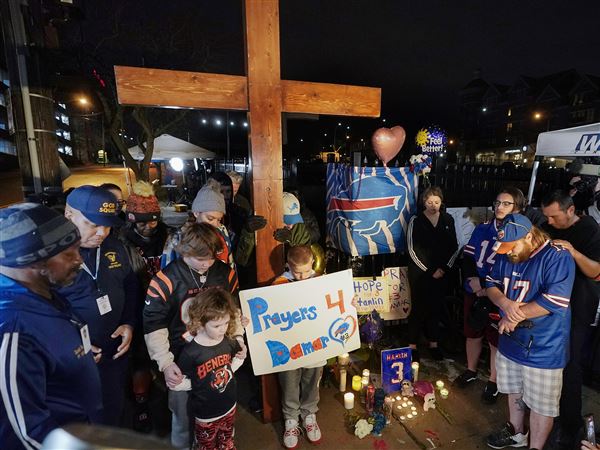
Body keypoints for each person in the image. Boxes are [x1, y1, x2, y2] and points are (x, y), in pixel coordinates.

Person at [0, 203, 102, 449]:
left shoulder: (43, 293)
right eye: (68, 254)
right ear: (32, 261)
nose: (78, 260)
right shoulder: (13, 328)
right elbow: (24, 432)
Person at [143, 221, 243, 448]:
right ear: (185, 251)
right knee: (183, 419)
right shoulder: (165, 279)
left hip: (218, 356)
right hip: (182, 358)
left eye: (211, 257)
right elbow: (153, 325)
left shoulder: (224, 273)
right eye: (201, 259)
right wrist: (166, 363)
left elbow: (233, 312)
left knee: (221, 410)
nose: (207, 264)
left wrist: (238, 339)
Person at [485, 214, 575, 450]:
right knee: (513, 390)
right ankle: (516, 433)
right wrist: (505, 303)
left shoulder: (556, 257)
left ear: (529, 235)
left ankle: (535, 446)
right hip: (511, 341)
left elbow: (555, 300)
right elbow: (490, 283)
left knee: (541, 404)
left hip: (544, 347)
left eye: (513, 246)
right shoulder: (506, 254)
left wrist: (515, 315)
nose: (509, 252)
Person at [58, 185, 138, 426]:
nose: (102, 232)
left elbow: (131, 286)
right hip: (72, 359)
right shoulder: (50, 257)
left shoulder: (116, 247)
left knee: (113, 413)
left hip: (114, 353)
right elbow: (39, 312)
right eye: (92, 224)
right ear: (69, 214)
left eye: (107, 224)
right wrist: (70, 342)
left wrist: (129, 323)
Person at [541, 190, 600, 449]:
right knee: (548, 364)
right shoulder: (546, 226)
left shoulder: (589, 229)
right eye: (547, 217)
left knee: (570, 366)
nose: (550, 223)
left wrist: (573, 252)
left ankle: (570, 424)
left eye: (555, 217)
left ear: (571, 210)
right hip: (548, 307)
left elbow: (596, 271)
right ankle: (547, 416)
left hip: (577, 307)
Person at [456, 187, 526, 404]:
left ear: (518, 208)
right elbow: (468, 257)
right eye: (497, 203)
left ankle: (494, 381)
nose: (500, 207)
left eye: (506, 204)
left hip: (499, 295)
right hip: (475, 288)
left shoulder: (520, 233)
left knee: (495, 339)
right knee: (472, 332)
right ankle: (471, 369)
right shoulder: (483, 229)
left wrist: (486, 286)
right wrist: (472, 281)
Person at [119, 180, 171, 433]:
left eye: (153, 220)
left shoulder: (168, 235)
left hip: (166, 307)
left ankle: (167, 407)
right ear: (131, 219)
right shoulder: (121, 241)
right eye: (141, 221)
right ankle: (141, 407)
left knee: (166, 356)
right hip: (137, 307)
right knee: (139, 359)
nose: (149, 226)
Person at [175, 288, 247, 450]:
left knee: (227, 442)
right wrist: (186, 384)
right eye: (216, 325)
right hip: (205, 414)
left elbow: (232, 365)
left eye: (226, 323)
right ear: (201, 322)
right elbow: (180, 381)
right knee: (206, 446)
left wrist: (240, 358)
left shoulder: (228, 341)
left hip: (229, 406)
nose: (223, 329)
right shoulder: (190, 352)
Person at [271, 245, 323, 448]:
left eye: (305, 271)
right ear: (288, 265)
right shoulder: (279, 283)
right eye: (297, 272)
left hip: (315, 344)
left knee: (312, 380)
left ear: (312, 263)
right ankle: (291, 419)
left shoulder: (321, 281)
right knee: (289, 383)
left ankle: (309, 414)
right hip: (289, 346)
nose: (301, 277)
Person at [406, 186, 459, 361]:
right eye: (430, 202)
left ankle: (434, 343)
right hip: (421, 273)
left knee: (436, 308)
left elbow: (454, 246)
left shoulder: (448, 219)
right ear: (423, 202)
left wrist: (443, 269)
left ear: (441, 202)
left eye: (436, 202)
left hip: (442, 272)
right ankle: (412, 344)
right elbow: (412, 249)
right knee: (419, 308)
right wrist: (429, 271)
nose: (433, 205)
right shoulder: (416, 220)